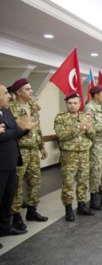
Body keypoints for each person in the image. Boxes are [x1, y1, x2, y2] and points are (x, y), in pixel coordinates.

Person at [8, 78, 48, 230]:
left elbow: (38, 129)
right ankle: (16, 215)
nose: (31, 91)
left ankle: (32, 210)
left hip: (33, 151)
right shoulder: (10, 108)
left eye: (31, 89)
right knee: (17, 185)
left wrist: (42, 147)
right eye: (27, 89)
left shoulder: (33, 106)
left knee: (35, 182)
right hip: (19, 151)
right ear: (18, 92)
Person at [54, 92, 96, 221]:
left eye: (75, 103)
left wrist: (88, 129)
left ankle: (82, 205)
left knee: (83, 180)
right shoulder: (60, 118)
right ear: (66, 104)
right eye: (70, 103)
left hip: (84, 153)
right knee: (68, 182)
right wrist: (79, 128)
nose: (72, 106)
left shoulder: (86, 117)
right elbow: (61, 135)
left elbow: (93, 135)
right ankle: (68, 208)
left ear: (80, 104)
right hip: (69, 155)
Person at [0, 84, 33, 242]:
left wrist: (25, 129)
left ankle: (5, 227)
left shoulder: (6, 111)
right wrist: (19, 129)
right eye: (6, 93)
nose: (9, 96)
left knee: (8, 198)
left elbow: (11, 133)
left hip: (11, 162)